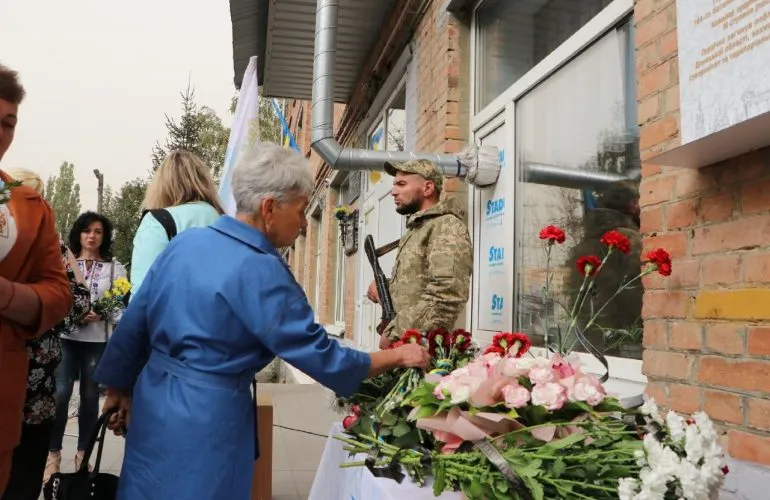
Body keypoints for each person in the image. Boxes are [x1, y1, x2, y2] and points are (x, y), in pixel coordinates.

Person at [94, 143, 431, 499]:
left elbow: (135, 320)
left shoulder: (187, 243)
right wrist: (400, 355)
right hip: (207, 418)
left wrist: (117, 389)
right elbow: (326, 359)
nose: (303, 225)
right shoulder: (261, 269)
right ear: (269, 207)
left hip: (153, 401)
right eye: (302, 211)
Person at [0, 64, 72, 496]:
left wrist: (6, 294)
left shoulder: (28, 207)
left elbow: (59, 294)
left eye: (8, 123)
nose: (0, 134)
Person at [2, 169, 91, 499]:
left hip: (35, 389)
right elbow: (78, 300)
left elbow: (77, 298)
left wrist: (39, 311)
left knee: (23, 475)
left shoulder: (53, 244)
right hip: (21, 382)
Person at [46, 212, 126, 477]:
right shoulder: (63, 264)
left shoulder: (116, 268)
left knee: (91, 398)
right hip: (66, 339)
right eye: (86, 231)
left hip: (97, 342)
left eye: (98, 231)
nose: (91, 236)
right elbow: (53, 296)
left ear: (105, 236)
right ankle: (53, 455)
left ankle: (84, 455)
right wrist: (72, 313)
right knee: (60, 395)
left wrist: (103, 313)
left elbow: (123, 306)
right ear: (78, 234)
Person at [367, 159, 473, 349]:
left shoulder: (445, 226)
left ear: (427, 188)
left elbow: (446, 296)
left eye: (401, 184)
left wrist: (394, 332)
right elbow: (417, 284)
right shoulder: (419, 229)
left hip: (425, 354)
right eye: (394, 185)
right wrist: (385, 287)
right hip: (406, 347)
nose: (393, 192)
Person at [129, 149, 224, 299]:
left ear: (161, 185)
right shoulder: (224, 219)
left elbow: (142, 293)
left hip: (174, 319)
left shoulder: (157, 221)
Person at [566, 180, 642, 355]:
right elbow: (639, 292)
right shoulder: (628, 240)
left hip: (590, 332)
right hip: (622, 338)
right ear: (633, 205)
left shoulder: (586, 242)